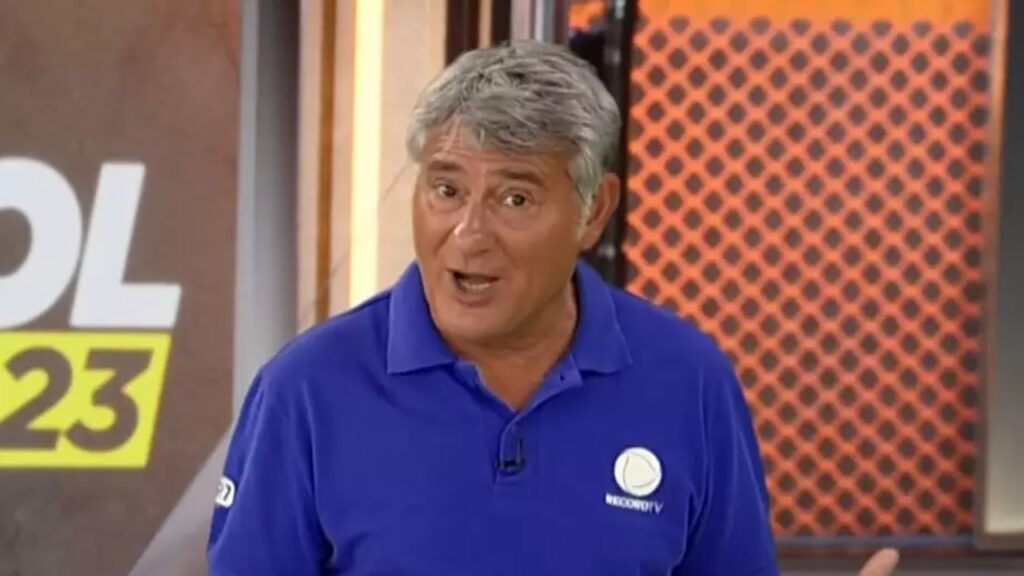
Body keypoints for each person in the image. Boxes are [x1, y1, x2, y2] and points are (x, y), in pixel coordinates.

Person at [207, 40, 899, 576]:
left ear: (594, 211)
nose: (468, 234)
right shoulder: (306, 389)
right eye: (446, 190)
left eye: (515, 198)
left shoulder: (689, 379)